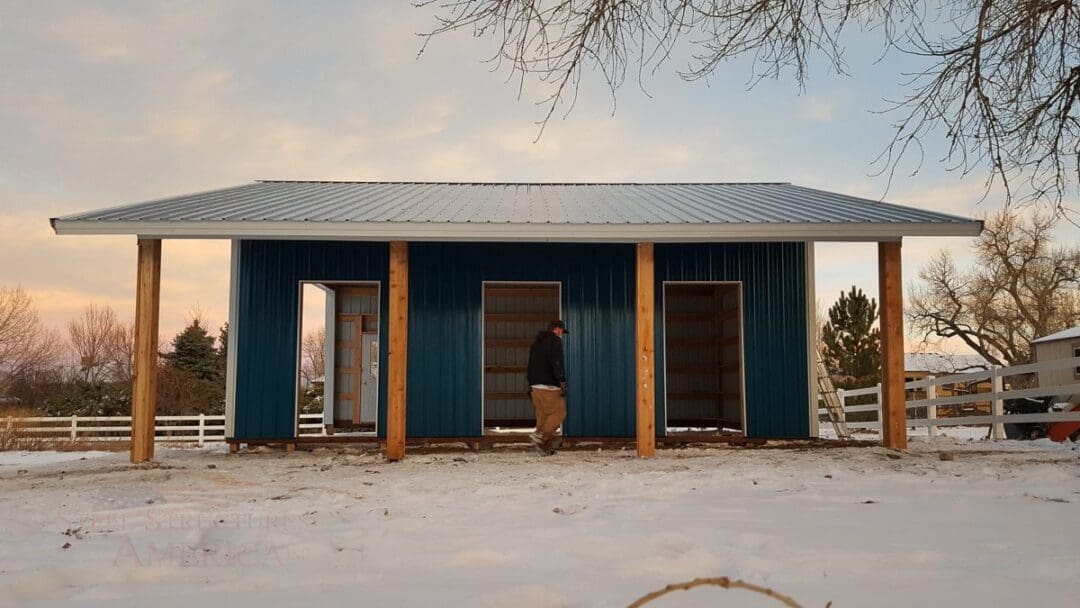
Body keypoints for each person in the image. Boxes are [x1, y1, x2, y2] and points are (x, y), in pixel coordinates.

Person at [526, 320, 568, 456]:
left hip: (535, 386)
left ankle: (545, 448)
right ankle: (540, 435)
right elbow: (557, 362)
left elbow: (530, 364)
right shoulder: (555, 341)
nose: (562, 334)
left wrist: (531, 384)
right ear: (557, 329)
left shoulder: (536, 343)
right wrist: (561, 380)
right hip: (549, 385)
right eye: (562, 331)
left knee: (543, 417)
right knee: (558, 413)